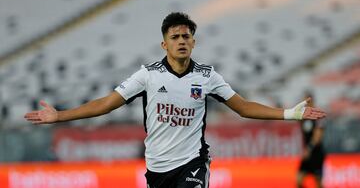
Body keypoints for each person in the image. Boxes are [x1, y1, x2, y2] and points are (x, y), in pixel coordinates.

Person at [24, 12, 326, 188]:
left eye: (186, 36)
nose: (181, 41)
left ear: (193, 42)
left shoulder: (207, 76)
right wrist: (59, 116)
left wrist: (290, 113)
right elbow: (105, 104)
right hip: (156, 169)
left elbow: (243, 107)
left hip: (192, 163)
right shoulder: (148, 75)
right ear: (164, 43)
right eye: (175, 37)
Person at [297, 91, 326, 188]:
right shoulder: (303, 116)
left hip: (316, 153)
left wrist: (309, 148)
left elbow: (318, 135)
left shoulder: (318, 115)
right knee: (299, 180)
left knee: (318, 182)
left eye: (307, 101)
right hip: (307, 153)